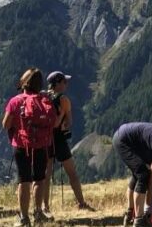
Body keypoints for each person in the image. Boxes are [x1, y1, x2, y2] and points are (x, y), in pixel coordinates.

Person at [3, 68, 57, 226]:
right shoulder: (44, 101)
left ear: (24, 83)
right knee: (39, 179)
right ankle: (38, 213)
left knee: (23, 181)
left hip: (21, 145)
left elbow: (5, 125)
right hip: (41, 145)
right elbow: (53, 123)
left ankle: (24, 218)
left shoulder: (15, 101)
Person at [42, 71, 92, 213]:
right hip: (59, 139)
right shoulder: (63, 99)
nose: (66, 84)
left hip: (45, 138)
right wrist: (63, 118)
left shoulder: (43, 97)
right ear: (57, 84)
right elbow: (69, 122)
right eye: (64, 82)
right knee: (72, 173)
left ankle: (45, 207)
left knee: (46, 174)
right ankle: (81, 203)